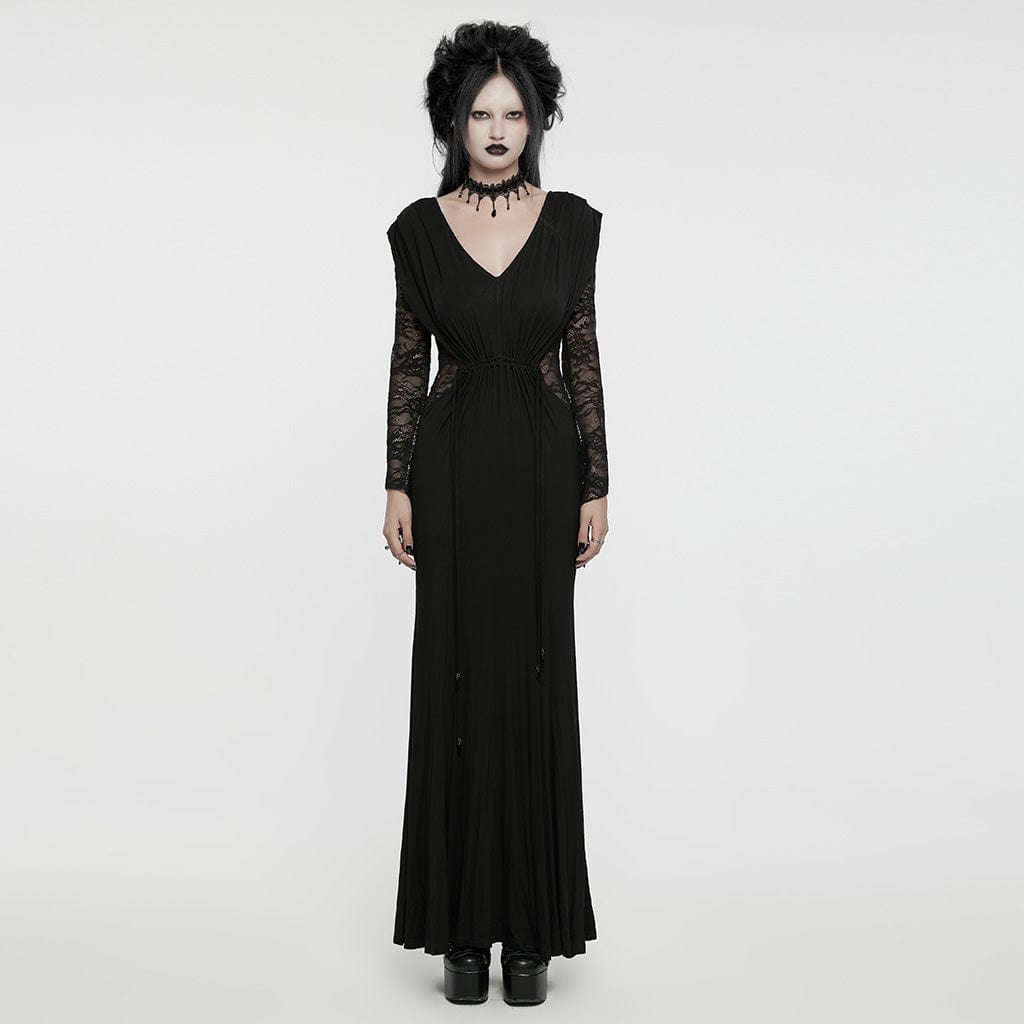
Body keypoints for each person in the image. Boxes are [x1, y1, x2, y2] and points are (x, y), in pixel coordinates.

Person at [381, 20, 610, 1007]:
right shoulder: (418, 230)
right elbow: (408, 359)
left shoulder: (572, 224)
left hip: (546, 470)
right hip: (452, 468)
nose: (500, 128)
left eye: (515, 112)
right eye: (482, 112)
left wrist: (597, 480)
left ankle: (534, 932)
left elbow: (582, 353)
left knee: (535, 676)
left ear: (537, 120)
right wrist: (395, 480)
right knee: (457, 679)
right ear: (455, 120)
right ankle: (461, 931)